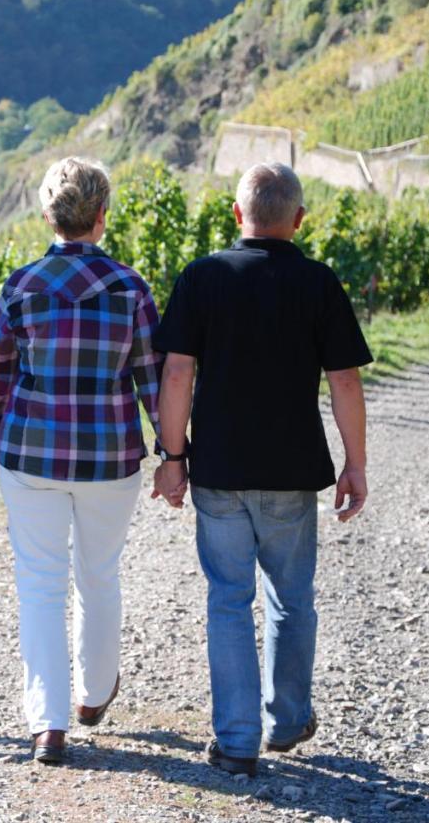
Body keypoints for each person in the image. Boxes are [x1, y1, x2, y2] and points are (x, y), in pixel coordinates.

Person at [151, 162, 371, 777]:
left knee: (228, 600)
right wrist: (355, 463)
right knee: (292, 599)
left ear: (234, 213)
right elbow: (345, 380)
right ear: (298, 219)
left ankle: (238, 741)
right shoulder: (319, 282)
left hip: (219, 469)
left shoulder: (203, 276)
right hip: (293, 472)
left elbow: (176, 372)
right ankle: (288, 718)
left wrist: (173, 457)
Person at [0, 157, 164, 765]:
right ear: (102, 216)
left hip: (31, 453)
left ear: (47, 215)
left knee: (39, 586)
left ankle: (48, 724)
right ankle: (93, 696)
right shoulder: (130, 288)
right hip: (110, 456)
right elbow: (151, 378)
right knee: (100, 574)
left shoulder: (20, 286)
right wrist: (173, 451)